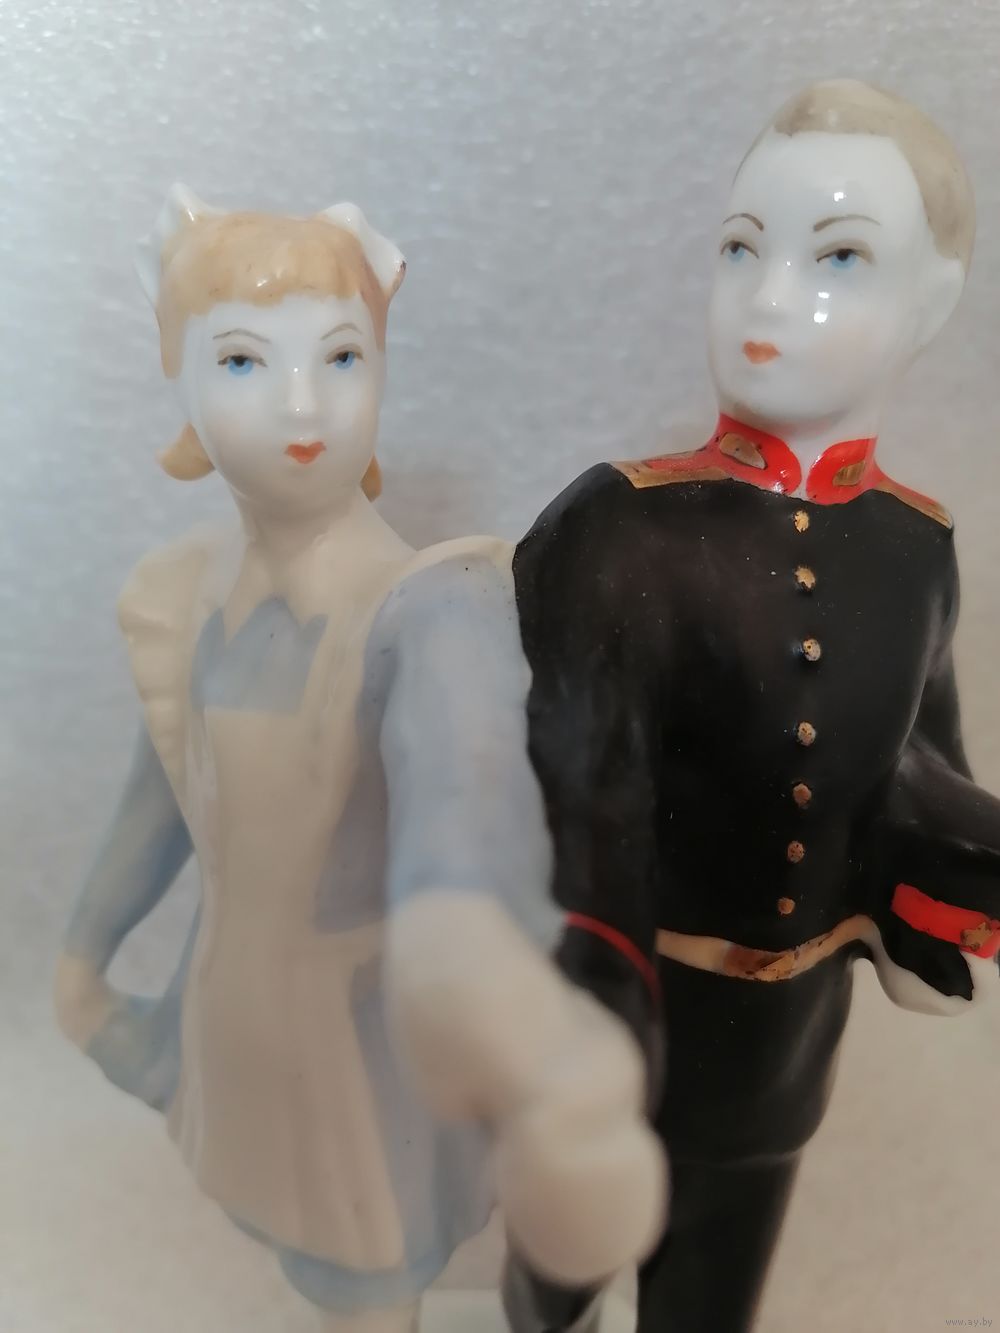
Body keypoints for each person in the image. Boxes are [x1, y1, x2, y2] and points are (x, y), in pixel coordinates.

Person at [53, 188, 664, 1332]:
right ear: (180, 383)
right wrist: (85, 949)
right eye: (244, 362)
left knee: (367, 1281)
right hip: (240, 1018)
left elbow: (463, 793)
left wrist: (470, 956)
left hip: (368, 1039)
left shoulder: (434, 606)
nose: (303, 403)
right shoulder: (189, 598)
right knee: (320, 1274)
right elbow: (166, 797)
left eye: (341, 357)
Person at [504, 79, 1000, 1333]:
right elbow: (586, 798)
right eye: (740, 248)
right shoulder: (620, 529)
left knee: (712, 1301)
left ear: (932, 300)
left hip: (783, 1041)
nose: (768, 298)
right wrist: (592, 1019)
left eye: (837, 259)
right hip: (618, 1016)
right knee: (552, 1293)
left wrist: (949, 886)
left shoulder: (916, 548)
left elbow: (918, 768)